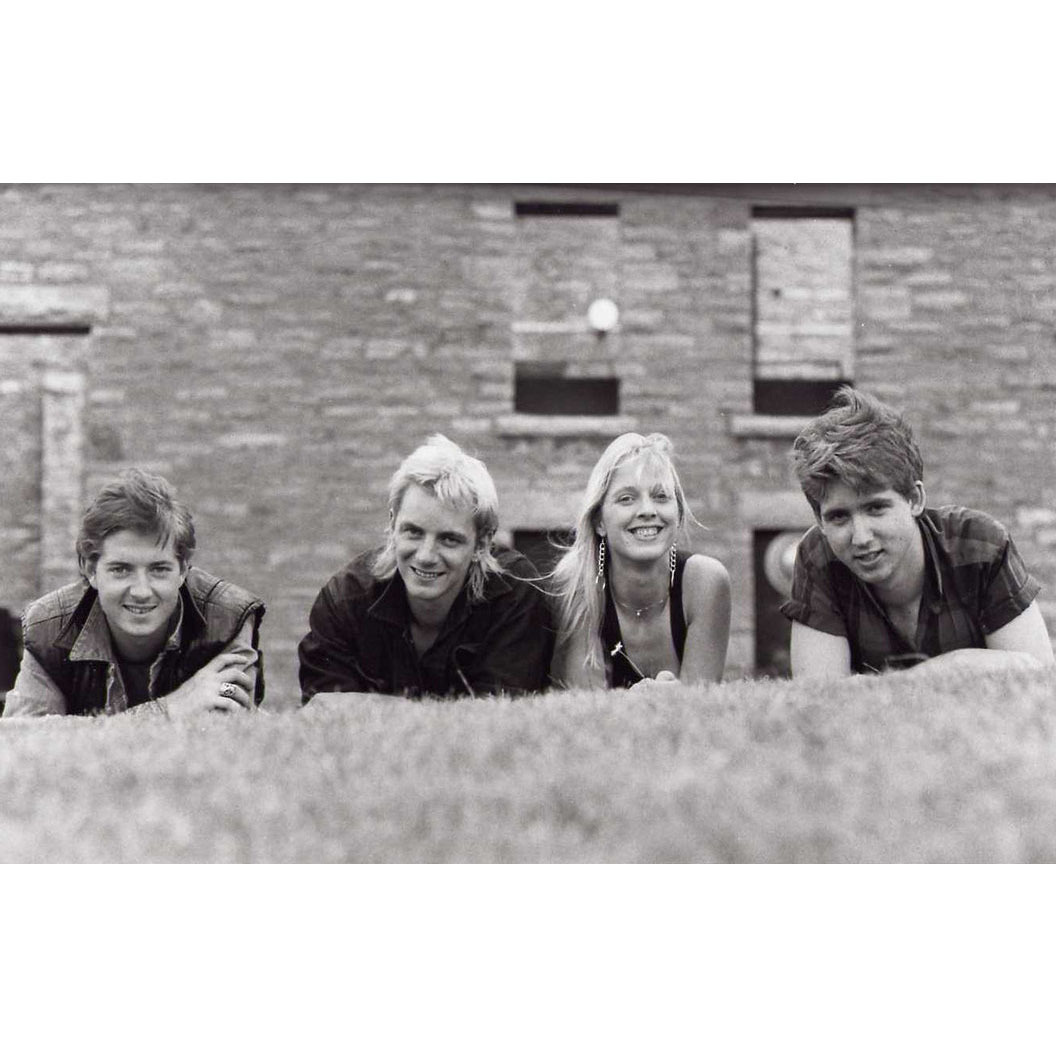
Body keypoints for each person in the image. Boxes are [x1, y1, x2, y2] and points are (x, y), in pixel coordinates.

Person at [782, 386, 1054, 678]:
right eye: (838, 517)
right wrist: (955, 667)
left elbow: (1037, 679)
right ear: (820, 520)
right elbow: (820, 692)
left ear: (915, 499)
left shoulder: (979, 545)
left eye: (876, 508)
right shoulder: (818, 556)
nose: (860, 538)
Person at [298, 435, 552, 703]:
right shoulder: (345, 599)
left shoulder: (515, 593)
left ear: (482, 543)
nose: (426, 556)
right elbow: (323, 710)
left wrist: (368, 706)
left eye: (449, 539)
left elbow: (498, 715)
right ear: (393, 525)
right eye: (413, 532)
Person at [4, 469, 265, 717]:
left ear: (183, 569)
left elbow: (223, 728)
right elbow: (25, 735)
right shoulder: (50, 627)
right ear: (91, 570)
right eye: (121, 569)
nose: (141, 591)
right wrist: (168, 710)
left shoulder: (226, 619)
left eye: (159, 569)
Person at [549, 432, 731, 690]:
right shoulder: (576, 580)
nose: (647, 510)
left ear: (678, 514)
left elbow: (701, 699)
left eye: (661, 496)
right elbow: (584, 702)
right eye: (626, 499)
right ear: (599, 522)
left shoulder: (705, 581)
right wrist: (646, 696)